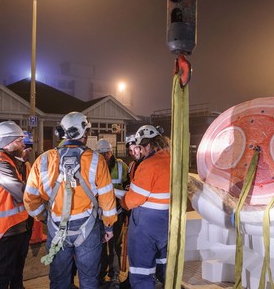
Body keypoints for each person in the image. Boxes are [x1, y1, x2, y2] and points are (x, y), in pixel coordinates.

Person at [23, 111, 117, 289]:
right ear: (85, 133)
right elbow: (107, 198)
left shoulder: (43, 160)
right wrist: (109, 226)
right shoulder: (96, 160)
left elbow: (30, 198)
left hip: (57, 226)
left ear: (62, 132)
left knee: (59, 280)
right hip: (88, 228)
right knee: (89, 280)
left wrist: (42, 216)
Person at [0, 121, 32, 288]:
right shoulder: (0, 165)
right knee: (4, 273)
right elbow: (22, 192)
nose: (22, 144)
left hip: (17, 226)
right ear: (7, 143)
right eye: (19, 141)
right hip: (6, 229)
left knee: (16, 270)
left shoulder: (9, 161)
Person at [120, 125, 170, 289]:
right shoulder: (172, 160)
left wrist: (123, 201)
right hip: (166, 222)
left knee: (142, 274)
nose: (139, 152)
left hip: (145, 226)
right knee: (165, 268)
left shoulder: (148, 165)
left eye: (140, 148)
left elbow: (132, 200)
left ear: (147, 145)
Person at [96, 139, 130, 289]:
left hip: (117, 213)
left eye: (106, 153)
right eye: (101, 153)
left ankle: (114, 274)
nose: (104, 156)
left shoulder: (122, 166)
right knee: (101, 246)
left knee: (115, 245)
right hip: (100, 214)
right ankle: (102, 274)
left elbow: (128, 186)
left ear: (111, 152)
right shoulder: (94, 166)